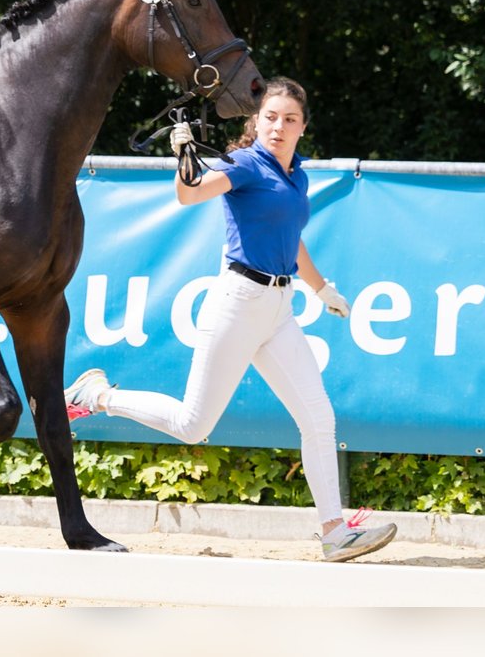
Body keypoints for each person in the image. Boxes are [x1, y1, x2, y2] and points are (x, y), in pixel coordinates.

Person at [65, 77, 396, 563]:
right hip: (238, 301)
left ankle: (333, 531)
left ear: (303, 127)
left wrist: (321, 288)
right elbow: (189, 194)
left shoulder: (296, 175)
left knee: (318, 416)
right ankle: (97, 395)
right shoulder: (244, 164)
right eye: (270, 117)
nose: (278, 127)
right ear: (256, 121)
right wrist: (183, 155)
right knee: (193, 425)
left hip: (279, 309)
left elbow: (292, 239)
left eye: (289, 119)